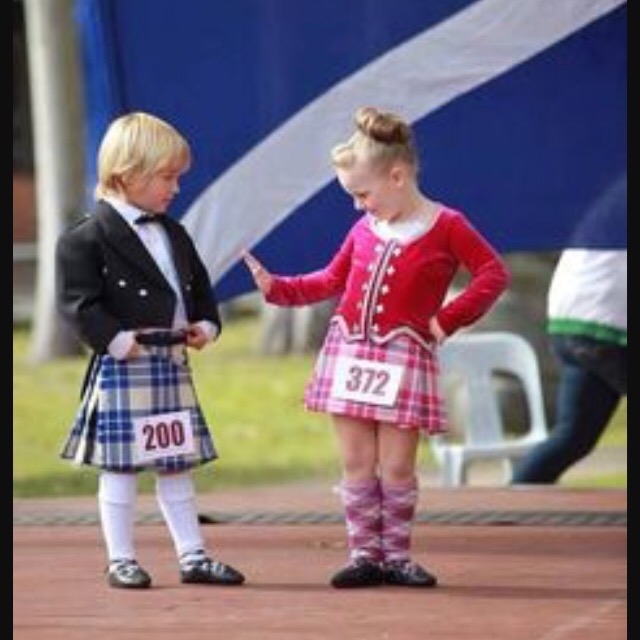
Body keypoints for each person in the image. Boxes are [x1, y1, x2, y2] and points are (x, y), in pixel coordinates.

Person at [244, 106, 510, 588]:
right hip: (349, 353)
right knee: (356, 462)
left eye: (362, 193)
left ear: (398, 175)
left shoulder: (447, 224)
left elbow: (493, 274)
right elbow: (330, 279)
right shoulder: (364, 229)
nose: (358, 205)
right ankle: (365, 553)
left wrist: (447, 320)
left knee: (397, 464)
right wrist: (278, 288)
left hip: (403, 356)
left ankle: (397, 557)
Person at [55, 111, 245, 589]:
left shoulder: (172, 231)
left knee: (175, 462)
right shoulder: (86, 236)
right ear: (127, 174)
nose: (175, 188)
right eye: (167, 177)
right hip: (127, 363)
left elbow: (197, 286)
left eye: (177, 177)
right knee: (120, 468)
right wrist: (119, 343)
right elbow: (79, 304)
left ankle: (193, 555)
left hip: (171, 360)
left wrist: (205, 324)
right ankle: (121, 559)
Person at [511, 248, 627, 484]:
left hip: (568, 322)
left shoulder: (595, 212)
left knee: (573, 436)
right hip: (606, 324)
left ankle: (510, 504)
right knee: (573, 435)